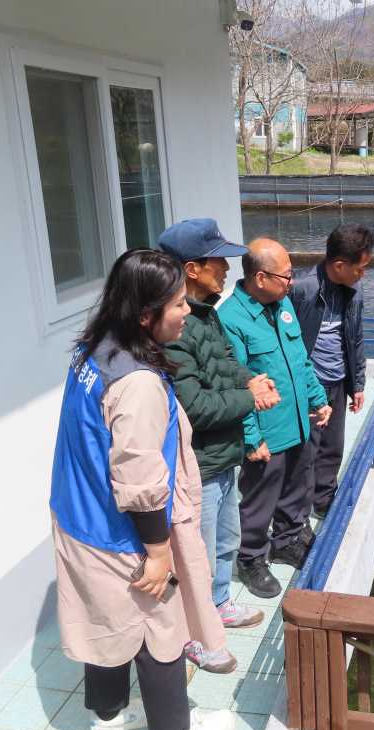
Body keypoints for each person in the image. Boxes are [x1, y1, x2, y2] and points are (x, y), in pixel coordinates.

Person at [48, 248, 234, 730]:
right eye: (176, 304)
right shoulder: (138, 384)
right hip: (121, 532)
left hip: (79, 517)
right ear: (147, 314)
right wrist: (157, 554)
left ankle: (106, 721)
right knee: (160, 631)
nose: (186, 311)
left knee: (105, 624)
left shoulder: (96, 349)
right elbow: (139, 480)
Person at [158, 218, 279, 629]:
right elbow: (193, 408)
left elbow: (226, 361)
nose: (227, 270)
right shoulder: (175, 328)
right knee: (200, 549)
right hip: (200, 464)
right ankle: (198, 621)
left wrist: (250, 379)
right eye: (218, 262)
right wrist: (252, 398)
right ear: (192, 269)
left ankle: (221, 602)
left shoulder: (206, 314)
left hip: (224, 455)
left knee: (227, 537)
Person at [217, 238, 331, 598]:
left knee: (298, 486)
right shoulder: (231, 319)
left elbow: (301, 359)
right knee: (259, 496)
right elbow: (236, 384)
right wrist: (251, 439)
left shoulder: (282, 306)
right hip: (266, 430)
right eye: (285, 275)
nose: (291, 282)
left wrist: (318, 398)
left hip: (297, 419)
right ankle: (251, 557)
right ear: (261, 277)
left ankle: (288, 538)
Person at [289, 224, 374, 518]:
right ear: (339, 265)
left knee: (332, 448)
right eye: (360, 268)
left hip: (338, 382)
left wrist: (358, 383)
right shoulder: (301, 289)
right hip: (308, 385)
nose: (363, 274)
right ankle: (296, 518)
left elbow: (356, 337)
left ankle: (324, 502)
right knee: (305, 453)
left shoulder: (353, 290)